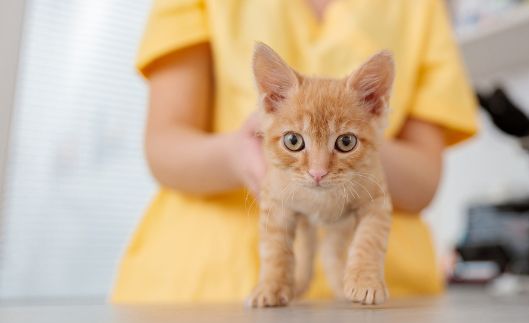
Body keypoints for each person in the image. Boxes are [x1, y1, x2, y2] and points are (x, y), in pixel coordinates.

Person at [111, 0, 478, 303]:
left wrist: (361, 147)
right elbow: (163, 144)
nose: (317, 170)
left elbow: (424, 179)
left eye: (343, 143)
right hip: (206, 288)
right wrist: (237, 155)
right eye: (295, 143)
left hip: (389, 299)